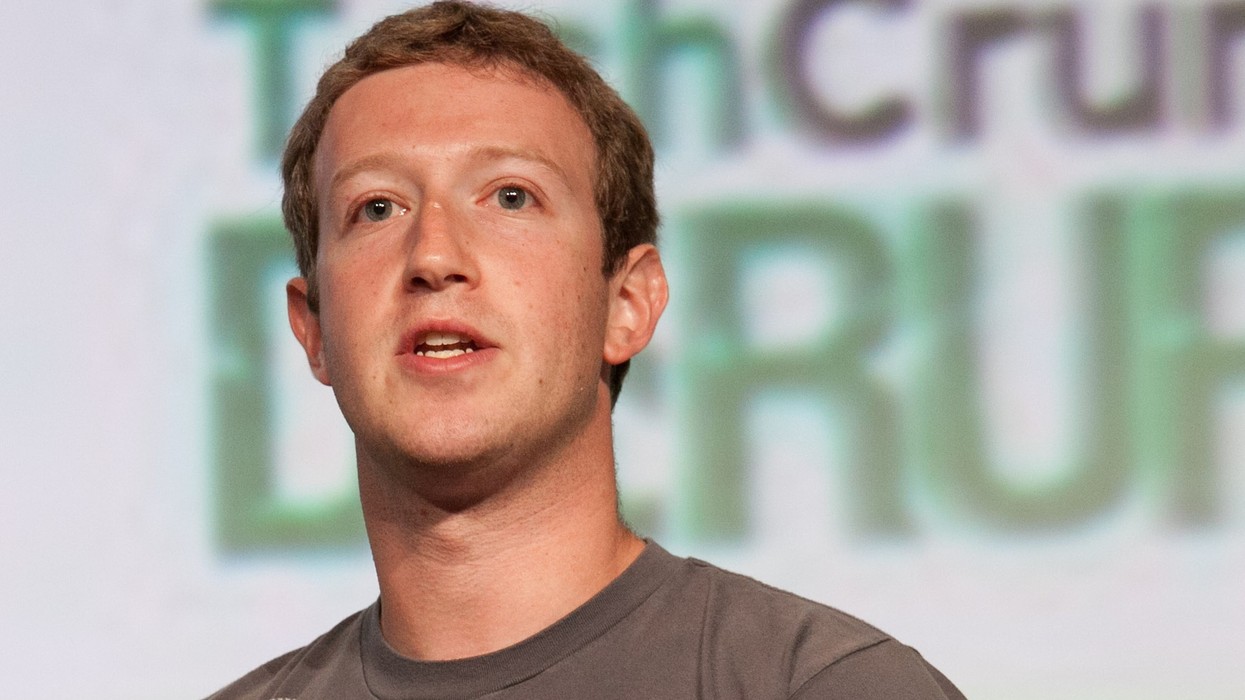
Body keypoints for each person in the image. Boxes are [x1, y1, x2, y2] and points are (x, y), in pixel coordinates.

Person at [208, 2, 965, 698]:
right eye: (376, 208)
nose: (433, 255)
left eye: (510, 196)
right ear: (314, 330)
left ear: (625, 302)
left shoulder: (812, 686)